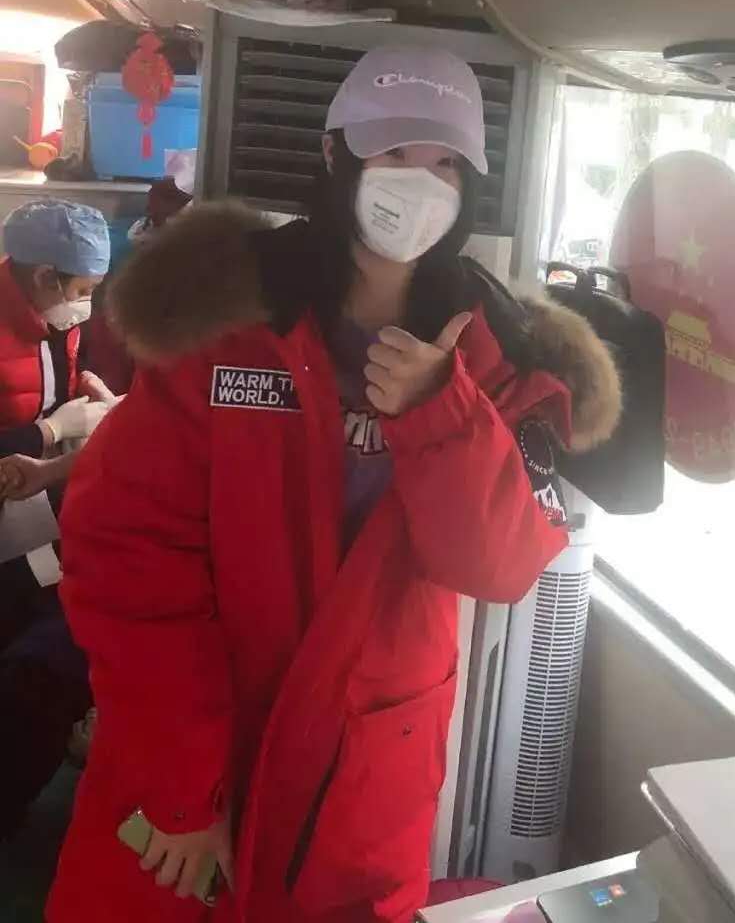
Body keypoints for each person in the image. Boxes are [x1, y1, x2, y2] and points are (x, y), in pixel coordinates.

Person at [48, 47, 621, 923]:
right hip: (193, 732)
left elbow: (500, 564)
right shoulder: (229, 315)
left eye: (444, 164)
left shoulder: (499, 350)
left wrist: (440, 411)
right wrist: (181, 783)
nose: (418, 183)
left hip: (368, 766)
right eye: (393, 154)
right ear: (334, 154)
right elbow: (126, 551)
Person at [0, 199, 113, 840]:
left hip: (25, 505)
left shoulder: (53, 321)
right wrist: (48, 434)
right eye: (83, 292)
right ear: (45, 276)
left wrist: (75, 417)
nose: (86, 307)